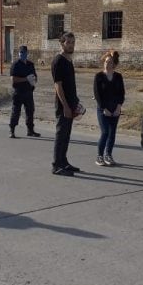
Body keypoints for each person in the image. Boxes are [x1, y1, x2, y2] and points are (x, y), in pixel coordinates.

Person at [51, 32, 81, 177]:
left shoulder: (69, 60)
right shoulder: (58, 61)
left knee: (67, 135)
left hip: (71, 103)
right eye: (68, 42)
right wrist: (66, 107)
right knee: (61, 134)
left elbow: (71, 85)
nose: (71, 45)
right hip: (63, 106)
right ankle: (56, 165)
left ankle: (64, 162)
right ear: (62, 43)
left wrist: (75, 102)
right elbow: (58, 85)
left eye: (73, 42)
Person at [93, 50, 125, 166]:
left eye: (109, 62)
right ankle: (99, 156)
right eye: (106, 61)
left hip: (115, 109)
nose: (107, 64)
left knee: (112, 133)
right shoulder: (99, 76)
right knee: (105, 132)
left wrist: (118, 107)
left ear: (114, 64)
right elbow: (97, 94)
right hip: (103, 109)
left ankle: (108, 155)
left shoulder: (118, 77)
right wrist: (104, 108)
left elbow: (121, 94)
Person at [8, 45, 40, 138]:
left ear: (27, 53)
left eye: (24, 53)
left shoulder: (30, 64)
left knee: (30, 111)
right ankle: (12, 130)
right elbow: (13, 79)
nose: (23, 54)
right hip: (18, 92)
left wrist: (34, 80)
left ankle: (30, 130)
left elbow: (35, 76)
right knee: (16, 111)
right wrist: (26, 79)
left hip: (29, 92)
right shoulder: (15, 64)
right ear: (18, 53)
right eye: (21, 52)